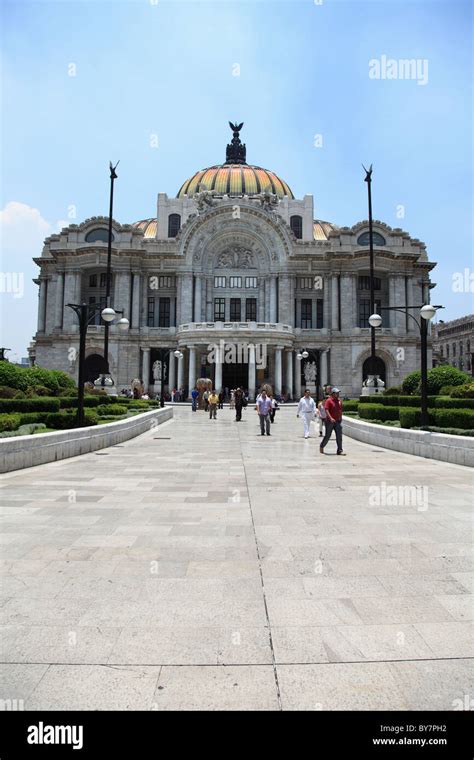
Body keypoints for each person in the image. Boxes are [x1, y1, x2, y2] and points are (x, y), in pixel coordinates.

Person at [320, 387, 345, 455]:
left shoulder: (339, 401)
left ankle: (339, 449)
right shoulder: (329, 401)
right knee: (328, 435)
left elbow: (340, 410)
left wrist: (340, 417)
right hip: (329, 421)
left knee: (339, 435)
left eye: (338, 393)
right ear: (333, 394)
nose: (338, 394)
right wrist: (330, 418)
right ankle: (322, 446)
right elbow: (326, 410)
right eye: (337, 393)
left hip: (337, 421)